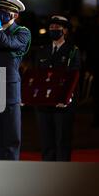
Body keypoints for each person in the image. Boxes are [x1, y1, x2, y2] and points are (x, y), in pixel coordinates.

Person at [0, 0, 31, 160]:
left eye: (6, 11)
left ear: (15, 15)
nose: (1, 14)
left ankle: (10, 171)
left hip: (9, 87)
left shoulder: (22, 32)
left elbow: (8, 44)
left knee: (11, 136)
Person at [34, 15, 80, 162]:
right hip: (44, 103)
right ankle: (47, 171)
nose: (53, 30)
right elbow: (36, 75)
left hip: (63, 103)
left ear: (65, 30)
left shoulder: (72, 51)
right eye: (51, 28)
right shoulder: (43, 50)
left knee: (62, 139)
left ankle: (62, 172)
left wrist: (67, 97)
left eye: (57, 28)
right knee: (46, 140)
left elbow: (74, 75)